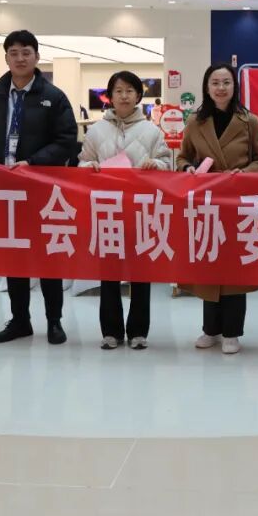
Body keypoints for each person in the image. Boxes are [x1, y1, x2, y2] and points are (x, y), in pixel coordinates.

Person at [0, 30, 78, 345]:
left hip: (41, 189)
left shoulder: (53, 97)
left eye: (26, 52)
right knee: (14, 256)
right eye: (14, 53)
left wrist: (33, 162)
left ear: (37, 57)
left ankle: (54, 321)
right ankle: (20, 320)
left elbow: (66, 140)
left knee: (48, 257)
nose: (20, 58)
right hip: (5, 189)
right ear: (6, 58)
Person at [177, 64, 258, 354]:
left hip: (237, 204)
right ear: (207, 87)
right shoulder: (196, 122)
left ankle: (232, 332)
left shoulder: (249, 121)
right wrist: (188, 168)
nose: (221, 88)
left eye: (226, 82)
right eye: (215, 82)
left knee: (234, 270)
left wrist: (245, 174)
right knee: (209, 265)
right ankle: (210, 329)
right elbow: (182, 157)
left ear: (234, 87)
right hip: (206, 204)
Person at [79, 71, 171, 351]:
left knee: (140, 272)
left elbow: (168, 163)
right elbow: (82, 162)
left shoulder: (152, 131)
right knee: (108, 272)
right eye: (118, 91)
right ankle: (111, 332)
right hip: (107, 209)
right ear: (110, 96)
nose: (124, 96)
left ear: (138, 96)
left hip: (140, 210)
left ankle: (139, 331)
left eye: (130, 90)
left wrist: (157, 164)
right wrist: (88, 167)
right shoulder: (97, 130)